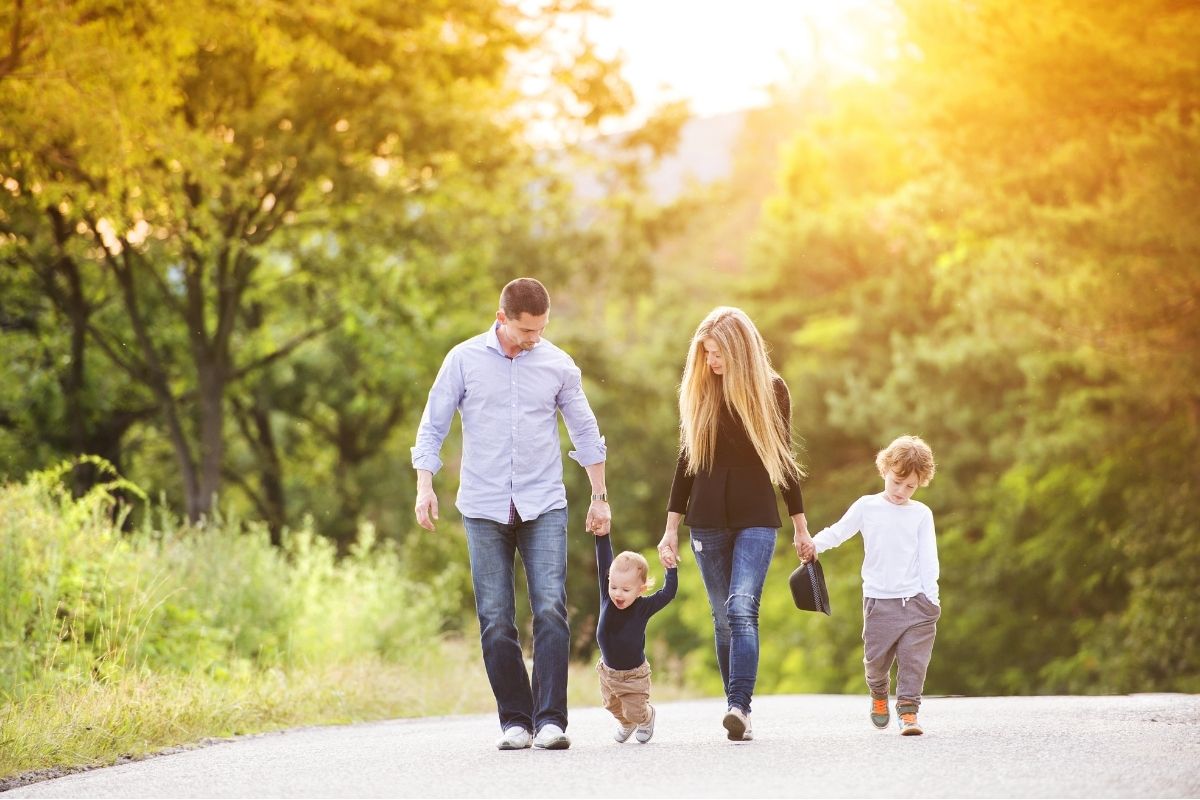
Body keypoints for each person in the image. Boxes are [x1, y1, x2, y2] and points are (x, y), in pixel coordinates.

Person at [411, 278, 611, 751]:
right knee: (497, 617)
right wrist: (424, 486)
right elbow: (433, 423)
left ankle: (550, 720)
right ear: (502, 318)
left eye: (541, 329)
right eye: (526, 330)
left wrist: (600, 495)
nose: (534, 338)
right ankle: (515, 721)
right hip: (483, 506)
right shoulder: (463, 360)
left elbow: (585, 430)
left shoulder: (557, 364)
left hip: (544, 502)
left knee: (550, 610)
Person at [656, 306, 814, 742]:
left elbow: (785, 464)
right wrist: (670, 529)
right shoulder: (701, 393)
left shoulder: (773, 392)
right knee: (723, 619)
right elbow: (685, 466)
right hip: (706, 522)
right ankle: (734, 707)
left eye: (718, 353)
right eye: (706, 353)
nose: (711, 362)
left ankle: (739, 707)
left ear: (740, 349)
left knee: (741, 607)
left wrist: (801, 526)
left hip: (757, 518)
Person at [809, 434, 940, 736]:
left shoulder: (921, 514)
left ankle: (909, 712)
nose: (901, 491)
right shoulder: (867, 507)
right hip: (879, 602)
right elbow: (839, 532)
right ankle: (879, 694)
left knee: (913, 662)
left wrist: (932, 599)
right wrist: (813, 545)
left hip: (917, 603)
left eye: (910, 487)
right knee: (875, 663)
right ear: (885, 470)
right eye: (897, 482)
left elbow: (928, 558)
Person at [593, 531, 677, 744]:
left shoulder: (644, 607)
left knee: (635, 712)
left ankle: (646, 717)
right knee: (611, 705)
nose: (618, 594)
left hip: (633, 676)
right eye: (613, 587)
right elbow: (603, 557)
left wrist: (671, 569)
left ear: (641, 589)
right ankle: (626, 724)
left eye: (626, 589)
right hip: (607, 672)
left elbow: (668, 593)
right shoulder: (607, 597)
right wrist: (602, 535)